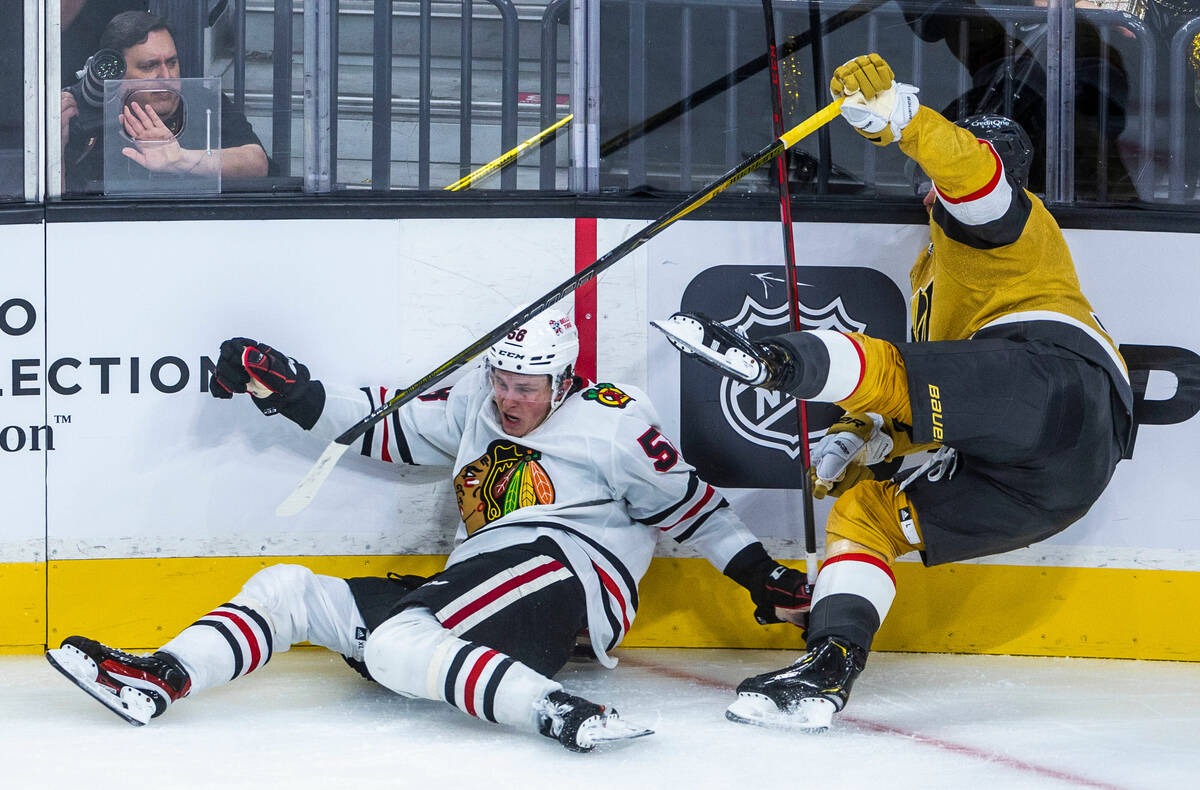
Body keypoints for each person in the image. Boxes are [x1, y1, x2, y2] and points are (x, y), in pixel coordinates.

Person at [46, 308, 811, 752]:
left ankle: (559, 713)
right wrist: (289, 390)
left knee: (394, 643)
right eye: (503, 382)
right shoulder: (477, 400)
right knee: (287, 592)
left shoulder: (612, 422)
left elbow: (690, 505)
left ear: (565, 379)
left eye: (526, 388)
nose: (509, 400)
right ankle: (159, 680)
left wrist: (758, 574)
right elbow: (381, 428)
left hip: (567, 572)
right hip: (479, 578)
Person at [654, 53, 1133, 731]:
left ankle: (770, 363)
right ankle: (828, 667)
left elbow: (976, 178)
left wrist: (905, 122)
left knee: (888, 365)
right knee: (865, 510)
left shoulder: (1009, 224)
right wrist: (860, 431)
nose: (934, 185)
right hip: (1051, 486)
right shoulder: (934, 266)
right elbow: (944, 400)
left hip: (1061, 397)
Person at [60, 11, 272, 194]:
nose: (167, 77)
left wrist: (179, 159)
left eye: (172, 62)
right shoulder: (81, 112)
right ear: (117, 76)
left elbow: (257, 163)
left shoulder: (203, 101)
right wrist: (56, 147)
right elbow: (57, 208)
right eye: (149, 66)